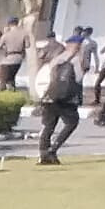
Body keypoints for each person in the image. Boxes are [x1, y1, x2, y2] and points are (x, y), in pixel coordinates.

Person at [34, 31, 82, 162]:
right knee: (72, 122)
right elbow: (78, 79)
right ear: (77, 46)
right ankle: (53, 149)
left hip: (49, 95)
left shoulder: (57, 58)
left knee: (48, 125)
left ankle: (43, 154)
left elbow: (46, 73)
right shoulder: (76, 60)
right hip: (66, 99)